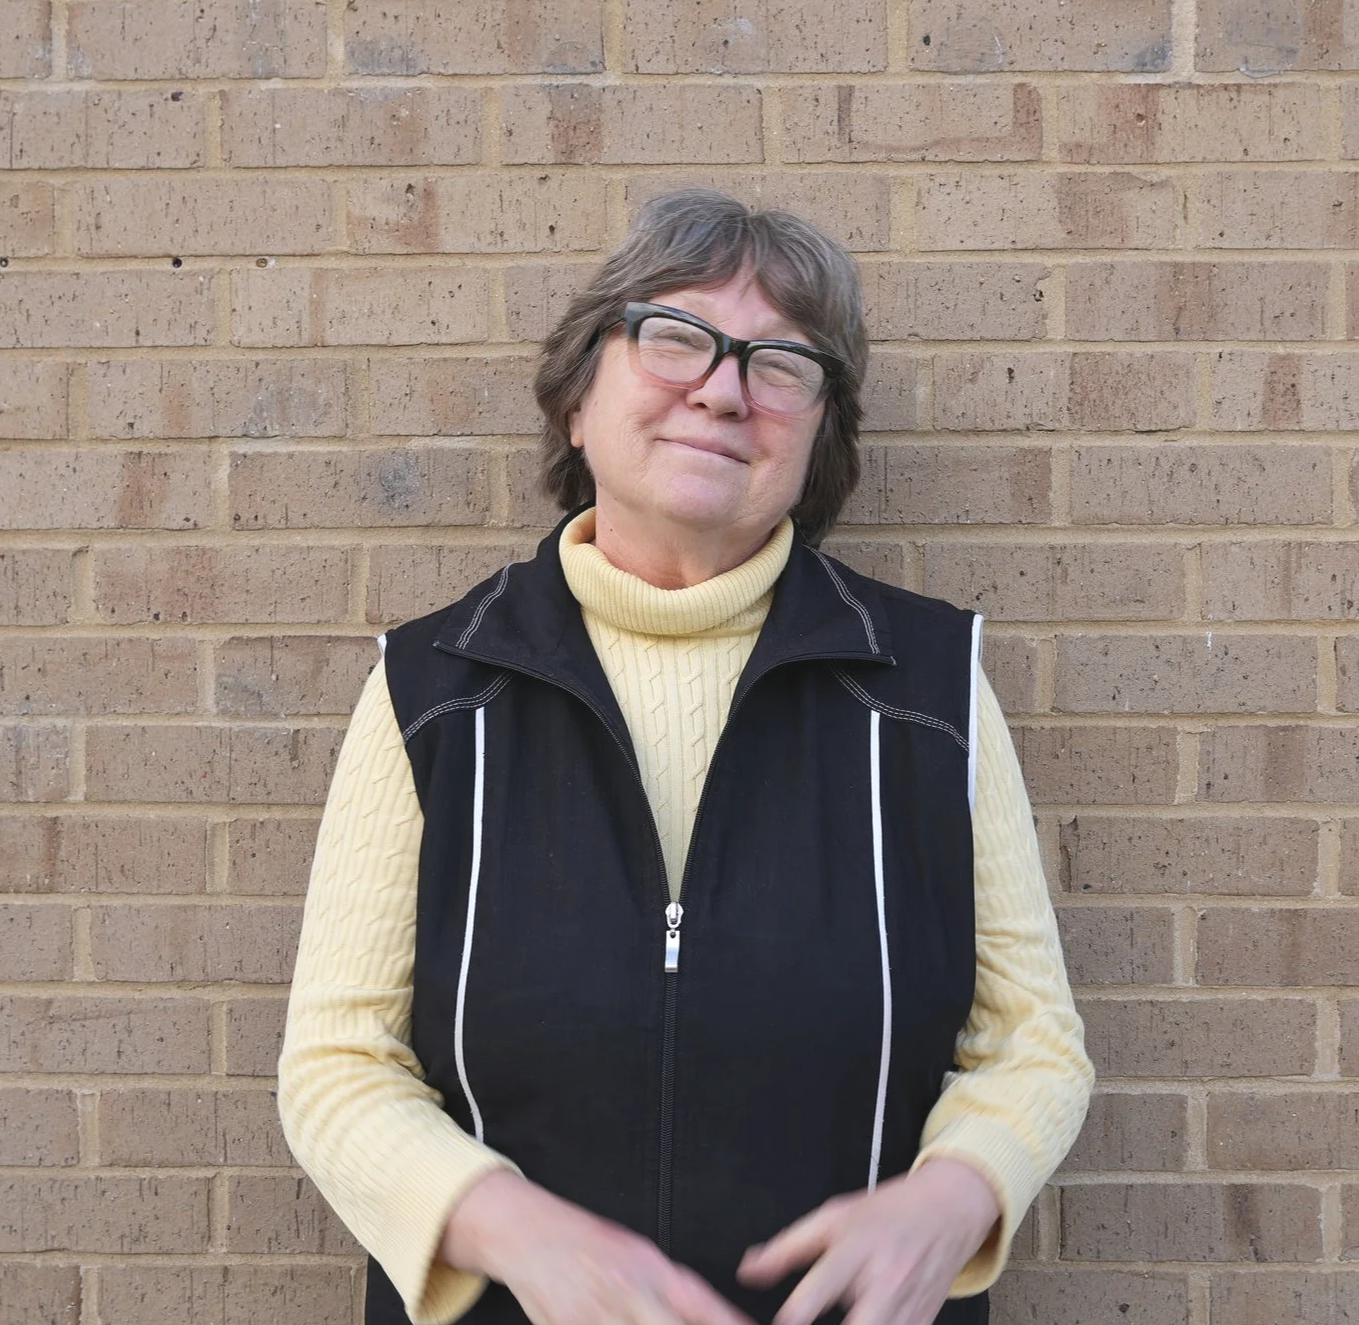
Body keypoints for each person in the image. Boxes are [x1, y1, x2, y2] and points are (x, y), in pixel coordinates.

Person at [278, 188, 1093, 1325]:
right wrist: (513, 1232)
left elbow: (1032, 1044)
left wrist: (957, 1195)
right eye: (674, 338)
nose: (722, 389)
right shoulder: (435, 690)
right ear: (578, 401)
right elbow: (336, 1061)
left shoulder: (926, 689)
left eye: (782, 363)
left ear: (818, 440)